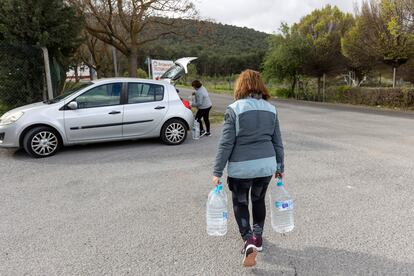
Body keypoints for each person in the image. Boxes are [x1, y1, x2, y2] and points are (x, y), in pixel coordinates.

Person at [212, 69, 284, 267]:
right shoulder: (271, 109)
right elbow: (278, 141)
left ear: (240, 85)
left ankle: (248, 239)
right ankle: (258, 239)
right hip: (266, 166)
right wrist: (280, 166)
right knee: (258, 200)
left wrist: (217, 171)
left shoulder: (234, 109)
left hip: (241, 169)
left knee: (241, 203)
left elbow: (226, 143)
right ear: (261, 85)